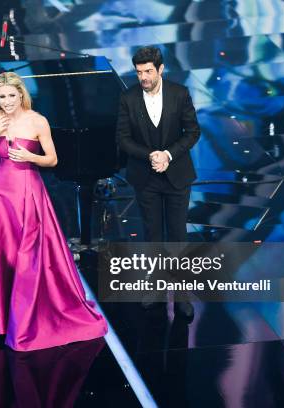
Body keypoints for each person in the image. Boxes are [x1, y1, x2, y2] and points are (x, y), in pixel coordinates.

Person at [0, 72, 108, 351]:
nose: (7, 101)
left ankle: (27, 317)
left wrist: (31, 157)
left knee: (29, 256)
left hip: (28, 193)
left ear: (21, 94)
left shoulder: (37, 120)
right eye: (2, 97)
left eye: (11, 96)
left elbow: (52, 159)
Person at [115, 46, 200, 319]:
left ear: (161, 69)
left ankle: (183, 295)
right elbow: (123, 139)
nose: (144, 77)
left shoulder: (179, 93)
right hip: (145, 177)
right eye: (139, 72)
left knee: (178, 235)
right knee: (152, 235)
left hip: (177, 177)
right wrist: (150, 155)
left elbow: (193, 132)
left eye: (149, 71)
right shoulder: (128, 98)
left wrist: (168, 154)